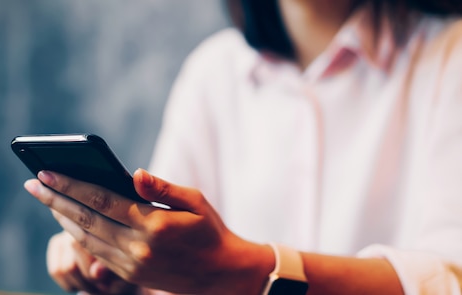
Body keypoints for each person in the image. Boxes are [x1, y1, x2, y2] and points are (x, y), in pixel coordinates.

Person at [24, 0, 462, 294]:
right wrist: (126, 262)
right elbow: (172, 257)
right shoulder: (213, 75)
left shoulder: (450, 55)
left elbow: (450, 278)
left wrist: (248, 270)